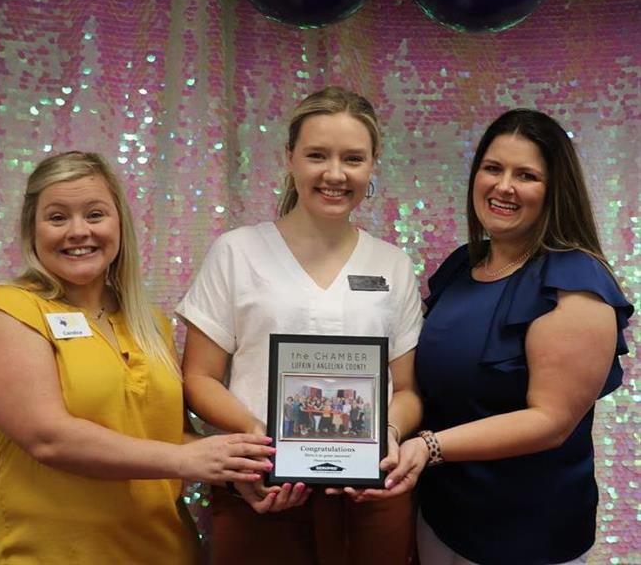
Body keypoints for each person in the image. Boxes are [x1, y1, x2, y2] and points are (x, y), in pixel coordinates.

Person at [0, 151, 275, 565]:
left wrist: (235, 464)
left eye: (95, 214)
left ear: (119, 224)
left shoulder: (147, 322)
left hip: (166, 553)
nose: (78, 231)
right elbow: (49, 437)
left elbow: (164, 436)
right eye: (58, 217)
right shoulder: (4, 313)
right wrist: (188, 459)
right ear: (32, 228)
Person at [176, 86, 424, 564]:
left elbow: (408, 389)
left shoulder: (392, 264)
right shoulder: (237, 252)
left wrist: (390, 433)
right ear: (290, 158)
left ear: (372, 165)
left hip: (369, 498)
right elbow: (199, 378)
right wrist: (263, 439)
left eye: (353, 158)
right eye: (317, 155)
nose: (335, 174)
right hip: (261, 488)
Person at [387, 109, 633, 564]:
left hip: (529, 534)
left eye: (527, 175)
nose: (504, 186)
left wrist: (428, 446)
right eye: (493, 168)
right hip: (443, 517)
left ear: (555, 190)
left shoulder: (574, 283)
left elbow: (550, 421)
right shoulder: (462, 266)